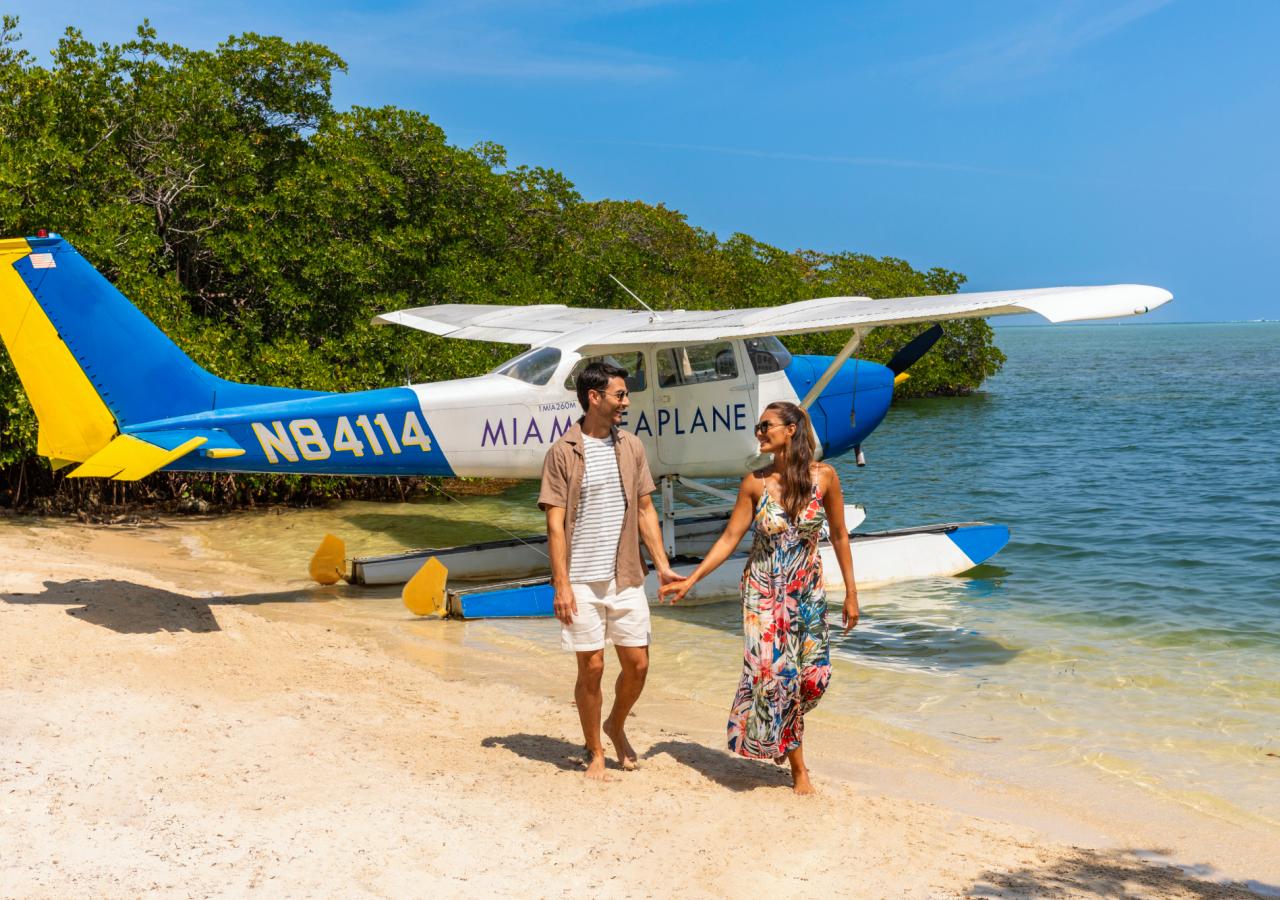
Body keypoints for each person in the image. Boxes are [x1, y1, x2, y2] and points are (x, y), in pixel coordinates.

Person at [660, 400, 858, 794]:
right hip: (763, 594)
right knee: (778, 681)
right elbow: (731, 538)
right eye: (758, 426)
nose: (759, 431)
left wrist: (852, 594)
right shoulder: (754, 482)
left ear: (791, 430)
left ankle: (781, 730)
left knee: (816, 678)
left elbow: (838, 535)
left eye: (766, 425)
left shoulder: (826, 478)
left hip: (807, 592)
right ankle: (799, 768)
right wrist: (692, 579)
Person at [539, 361, 678, 781]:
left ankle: (615, 723)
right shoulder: (563, 452)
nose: (626, 402)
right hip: (580, 580)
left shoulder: (631, 447)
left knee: (637, 664)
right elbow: (555, 525)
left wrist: (664, 566)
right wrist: (561, 585)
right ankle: (596, 750)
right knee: (593, 668)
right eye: (619, 394)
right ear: (594, 397)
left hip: (625, 575)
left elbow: (646, 509)